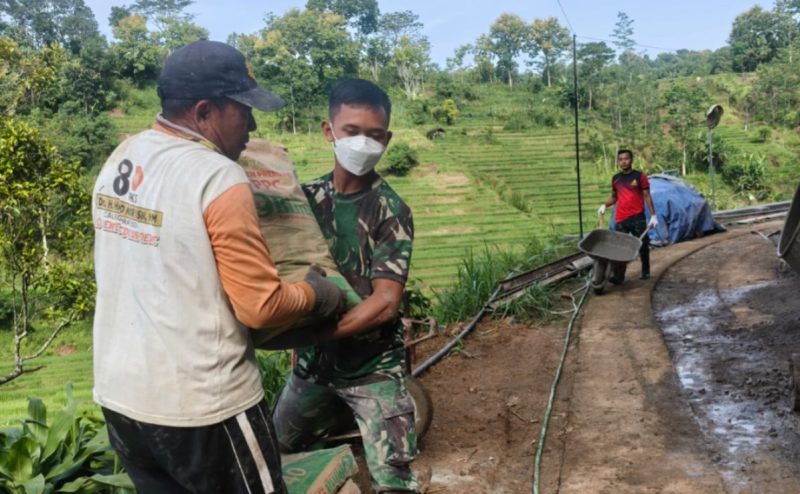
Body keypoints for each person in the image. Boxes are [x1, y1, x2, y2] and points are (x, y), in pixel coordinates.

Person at [92, 40, 345, 494]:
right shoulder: (217, 175)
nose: (252, 123)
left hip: (123, 400)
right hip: (204, 408)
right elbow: (261, 308)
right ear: (205, 112)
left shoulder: (123, 157)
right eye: (243, 109)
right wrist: (317, 293)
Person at [272, 79, 419, 493]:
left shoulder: (390, 210)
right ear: (328, 131)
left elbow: (386, 302)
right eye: (352, 131)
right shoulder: (303, 201)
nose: (363, 143)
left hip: (373, 369)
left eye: (374, 135)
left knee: (393, 482)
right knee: (275, 452)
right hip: (314, 368)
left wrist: (315, 333)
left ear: (387, 138)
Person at [598, 149, 658, 281]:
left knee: (642, 244)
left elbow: (646, 195)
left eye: (626, 159)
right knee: (620, 248)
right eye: (621, 159)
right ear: (618, 161)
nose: (623, 161)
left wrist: (653, 215)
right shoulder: (616, 179)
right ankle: (619, 277)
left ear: (631, 160)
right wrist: (605, 205)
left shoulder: (639, 176)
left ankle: (645, 270)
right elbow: (614, 197)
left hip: (637, 217)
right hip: (621, 218)